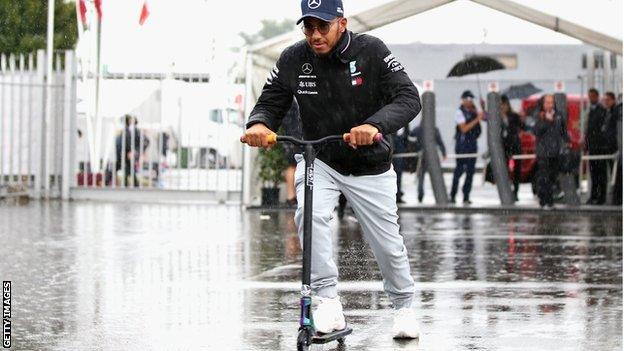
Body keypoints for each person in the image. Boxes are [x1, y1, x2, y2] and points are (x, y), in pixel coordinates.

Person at [241, 0, 421, 339]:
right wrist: (259, 124)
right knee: (308, 216)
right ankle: (327, 302)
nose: (315, 35)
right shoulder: (293, 58)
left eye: (322, 26)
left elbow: (409, 98)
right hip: (319, 157)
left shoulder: (372, 51)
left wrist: (374, 124)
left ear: (342, 23)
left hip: (369, 162)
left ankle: (403, 307)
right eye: (308, 27)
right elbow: (270, 100)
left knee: (386, 242)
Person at [534, 94, 570, 209]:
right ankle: (545, 201)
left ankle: (550, 199)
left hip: (556, 151)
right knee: (544, 176)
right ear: (543, 104)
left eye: (551, 102)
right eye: (547, 102)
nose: (550, 105)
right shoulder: (539, 115)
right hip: (543, 152)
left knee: (552, 176)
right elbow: (536, 131)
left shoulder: (558, 115)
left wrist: (567, 140)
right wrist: (546, 121)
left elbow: (563, 130)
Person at [449, 90, 483, 204]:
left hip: (472, 146)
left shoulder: (475, 111)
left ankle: (466, 196)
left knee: (470, 172)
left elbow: (486, 118)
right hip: (462, 146)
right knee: (459, 171)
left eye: (471, 99)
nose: (470, 102)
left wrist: (483, 109)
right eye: (468, 99)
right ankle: (453, 195)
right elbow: (464, 128)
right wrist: (477, 119)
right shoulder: (460, 112)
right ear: (463, 100)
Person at [410, 124, 446, 203]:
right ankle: (437, 195)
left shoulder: (417, 129)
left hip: (422, 156)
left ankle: (420, 195)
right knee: (434, 176)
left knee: (421, 177)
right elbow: (440, 142)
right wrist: (444, 153)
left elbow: (411, 141)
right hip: (431, 156)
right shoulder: (434, 129)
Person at [585, 88, 608, 205]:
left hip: (600, 148)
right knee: (593, 174)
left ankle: (601, 197)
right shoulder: (591, 110)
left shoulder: (601, 111)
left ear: (597, 96)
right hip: (592, 148)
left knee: (601, 174)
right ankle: (593, 196)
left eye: (592, 96)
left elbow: (600, 130)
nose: (590, 99)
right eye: (589, 96)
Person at [500, 95, 523, 201]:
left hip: (514, 145)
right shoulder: (498, 118)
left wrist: (522, 118)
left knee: (517, 169)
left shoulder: (513, 116)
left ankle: (516, 191)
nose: (503, 107)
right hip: (504, 146)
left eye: (504, 104)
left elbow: (522, 126)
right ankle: (507, 189)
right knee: (505, 168)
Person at [115, 114, 149, 187]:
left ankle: (129, 184)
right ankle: (132, 184)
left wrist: (136, 151)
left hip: (129, 154)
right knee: (128, 169)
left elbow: (145, 142)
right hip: (124, 154)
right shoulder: (126, 130)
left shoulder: (136, 131)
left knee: (128, 169)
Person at [281, 100, 303, 207]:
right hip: (294, 138)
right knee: (293, 166)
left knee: (293, 166)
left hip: (291, 137)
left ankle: (291, 197)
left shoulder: (290, 102)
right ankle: (291, 197)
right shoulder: (291, 103)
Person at [602, 92, 620, 205]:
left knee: (617, 173)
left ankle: (617, 198)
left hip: (615, 147)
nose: (606, 102)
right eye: (605, 100)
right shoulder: (608, 112)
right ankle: (615, 197)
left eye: (608, 100)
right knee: (612, 172)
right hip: (609, 146)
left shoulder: (616, 112)